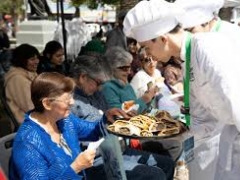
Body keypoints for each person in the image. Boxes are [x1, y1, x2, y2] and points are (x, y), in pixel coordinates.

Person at [123, 0, 240, 180]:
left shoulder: (206, 46)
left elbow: (236, 103)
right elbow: (202, 117)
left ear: (163, 38)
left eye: (147, 47)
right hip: (212, 149)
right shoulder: (188, 57)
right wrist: (169, 128)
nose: (147, 55)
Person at [70, 54, 175, 180]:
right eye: (98, 83)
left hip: (117, 148)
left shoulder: (96, 94)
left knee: (167, 164)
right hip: (97, 160)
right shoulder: (70, 102)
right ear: (83, 77)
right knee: (154, 175)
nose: (100, 88)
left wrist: (118, 117)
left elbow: (107, 117)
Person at [102, 46, 157, 115]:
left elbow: (137, 108)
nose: (129, 72)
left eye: (129, 68)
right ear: (112, 68)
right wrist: (143, 100)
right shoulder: (108, 87)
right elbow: (117, 113)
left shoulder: (126, 85)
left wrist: (149, 98)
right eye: (125, 68)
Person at [4, 44, 39, 124]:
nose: (37, 61)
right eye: (32, 59)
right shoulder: (18, 79)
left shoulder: (29, 73)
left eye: (37, 58)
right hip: (27, 122)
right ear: (22, 60)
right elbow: (29, 107)